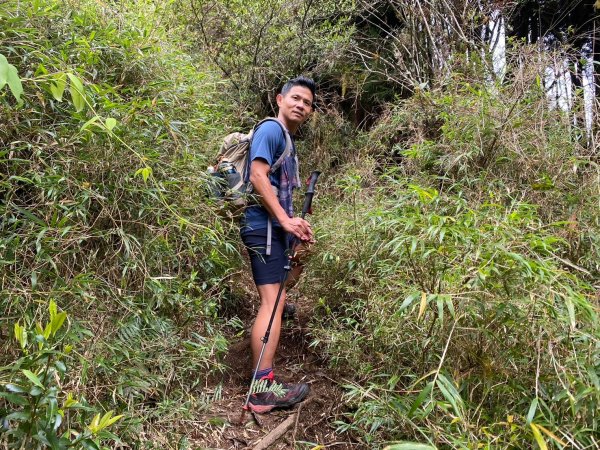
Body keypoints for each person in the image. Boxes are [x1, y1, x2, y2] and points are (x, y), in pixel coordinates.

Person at [241, 76, 316, 413]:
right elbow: (258, 175)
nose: (301, 105)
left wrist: (294, 225)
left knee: (278, 296)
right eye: (296, 98)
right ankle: (260, 392)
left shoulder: (286, 139)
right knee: (271, 304)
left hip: (273, 229)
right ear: (280, 99)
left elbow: (274, 185)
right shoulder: (271, 130)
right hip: (264, 228)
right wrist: (285, 221)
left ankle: (264, 377)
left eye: (308, 103)